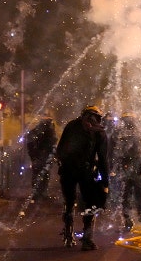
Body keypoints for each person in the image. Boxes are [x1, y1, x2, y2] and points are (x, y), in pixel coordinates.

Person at [56, 105, 109, 251]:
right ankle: (87, 239)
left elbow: (59, 150)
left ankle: (68, 235)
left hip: (67, 171)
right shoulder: (99, 131)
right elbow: (104, 159)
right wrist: (105, 182)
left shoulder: (71, 125)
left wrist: (63, 164)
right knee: (90, 205)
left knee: (69, 202)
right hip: (86, 172)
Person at [112, 113, 141, 230]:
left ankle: (130, 216)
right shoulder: (135, 133)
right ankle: (138, 213)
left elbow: (116, 152)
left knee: (127, 193)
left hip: (128, 167)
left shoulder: (120, 132)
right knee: (136, 192)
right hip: (133, 166)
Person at [26, 116, 58, 200]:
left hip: (40, 156)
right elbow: (53, 144)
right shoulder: (48, 133)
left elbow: (29, 142)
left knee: (39, 174)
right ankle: (40, 193)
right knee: (43, 175)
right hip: (42, 156)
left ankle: (38, 193)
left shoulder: (37, 132)